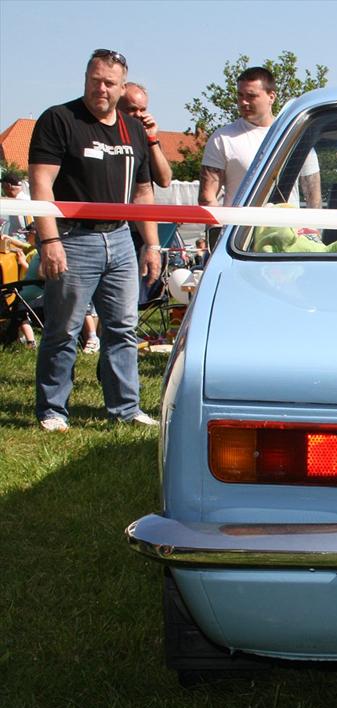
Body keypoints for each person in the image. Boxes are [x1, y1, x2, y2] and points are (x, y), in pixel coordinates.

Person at [28, 48, 161, 431]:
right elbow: (41, 182)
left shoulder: (133, 129)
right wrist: (49, 240)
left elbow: (144, 192)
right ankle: (53, 410)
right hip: (72, 239)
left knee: (123, 328)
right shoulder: (59, 119)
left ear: (122, 87)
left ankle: (126, 409)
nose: (101, 88)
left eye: (109, 83)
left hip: (120, 239)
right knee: (63, 330)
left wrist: (152, 245)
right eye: (94, 80)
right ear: (86, 78)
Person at [199, 66, 321, 209]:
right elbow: (207, 197)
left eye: (251, 96)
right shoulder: (222, 138)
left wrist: (314, 223)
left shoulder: (294, 135)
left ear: (271, 97)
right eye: (240, 95)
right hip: (240, 223)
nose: (243, 102)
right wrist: (221, 223)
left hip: (286, 223)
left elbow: (314, 197)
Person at [117, 82, 171, 188]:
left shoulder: (146, 139)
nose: (138, 114)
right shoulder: (106, 135)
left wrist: (152, 139)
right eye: (132, 109)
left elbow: (165, 181)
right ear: (116, 107)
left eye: (143, 110)